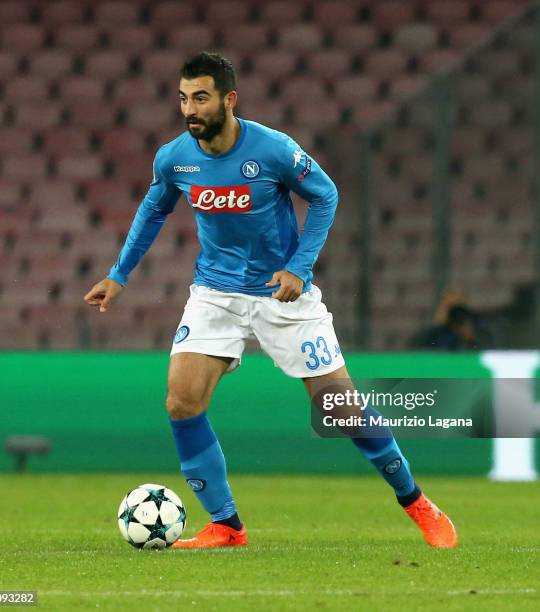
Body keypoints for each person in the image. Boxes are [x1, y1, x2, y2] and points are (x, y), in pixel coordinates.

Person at [84, 52, 457, 549]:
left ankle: (415, 501)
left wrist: (300, 269)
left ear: (228, 99)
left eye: (200, 97)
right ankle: (226, 524)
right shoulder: (175, 158)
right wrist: (118, 275)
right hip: (215, 293)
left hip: (281, 296)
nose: (189, 109)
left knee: (339, 410)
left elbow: (326, 196)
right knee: (181, 400)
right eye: (182, 98)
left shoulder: (273, 150)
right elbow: (153, 211)